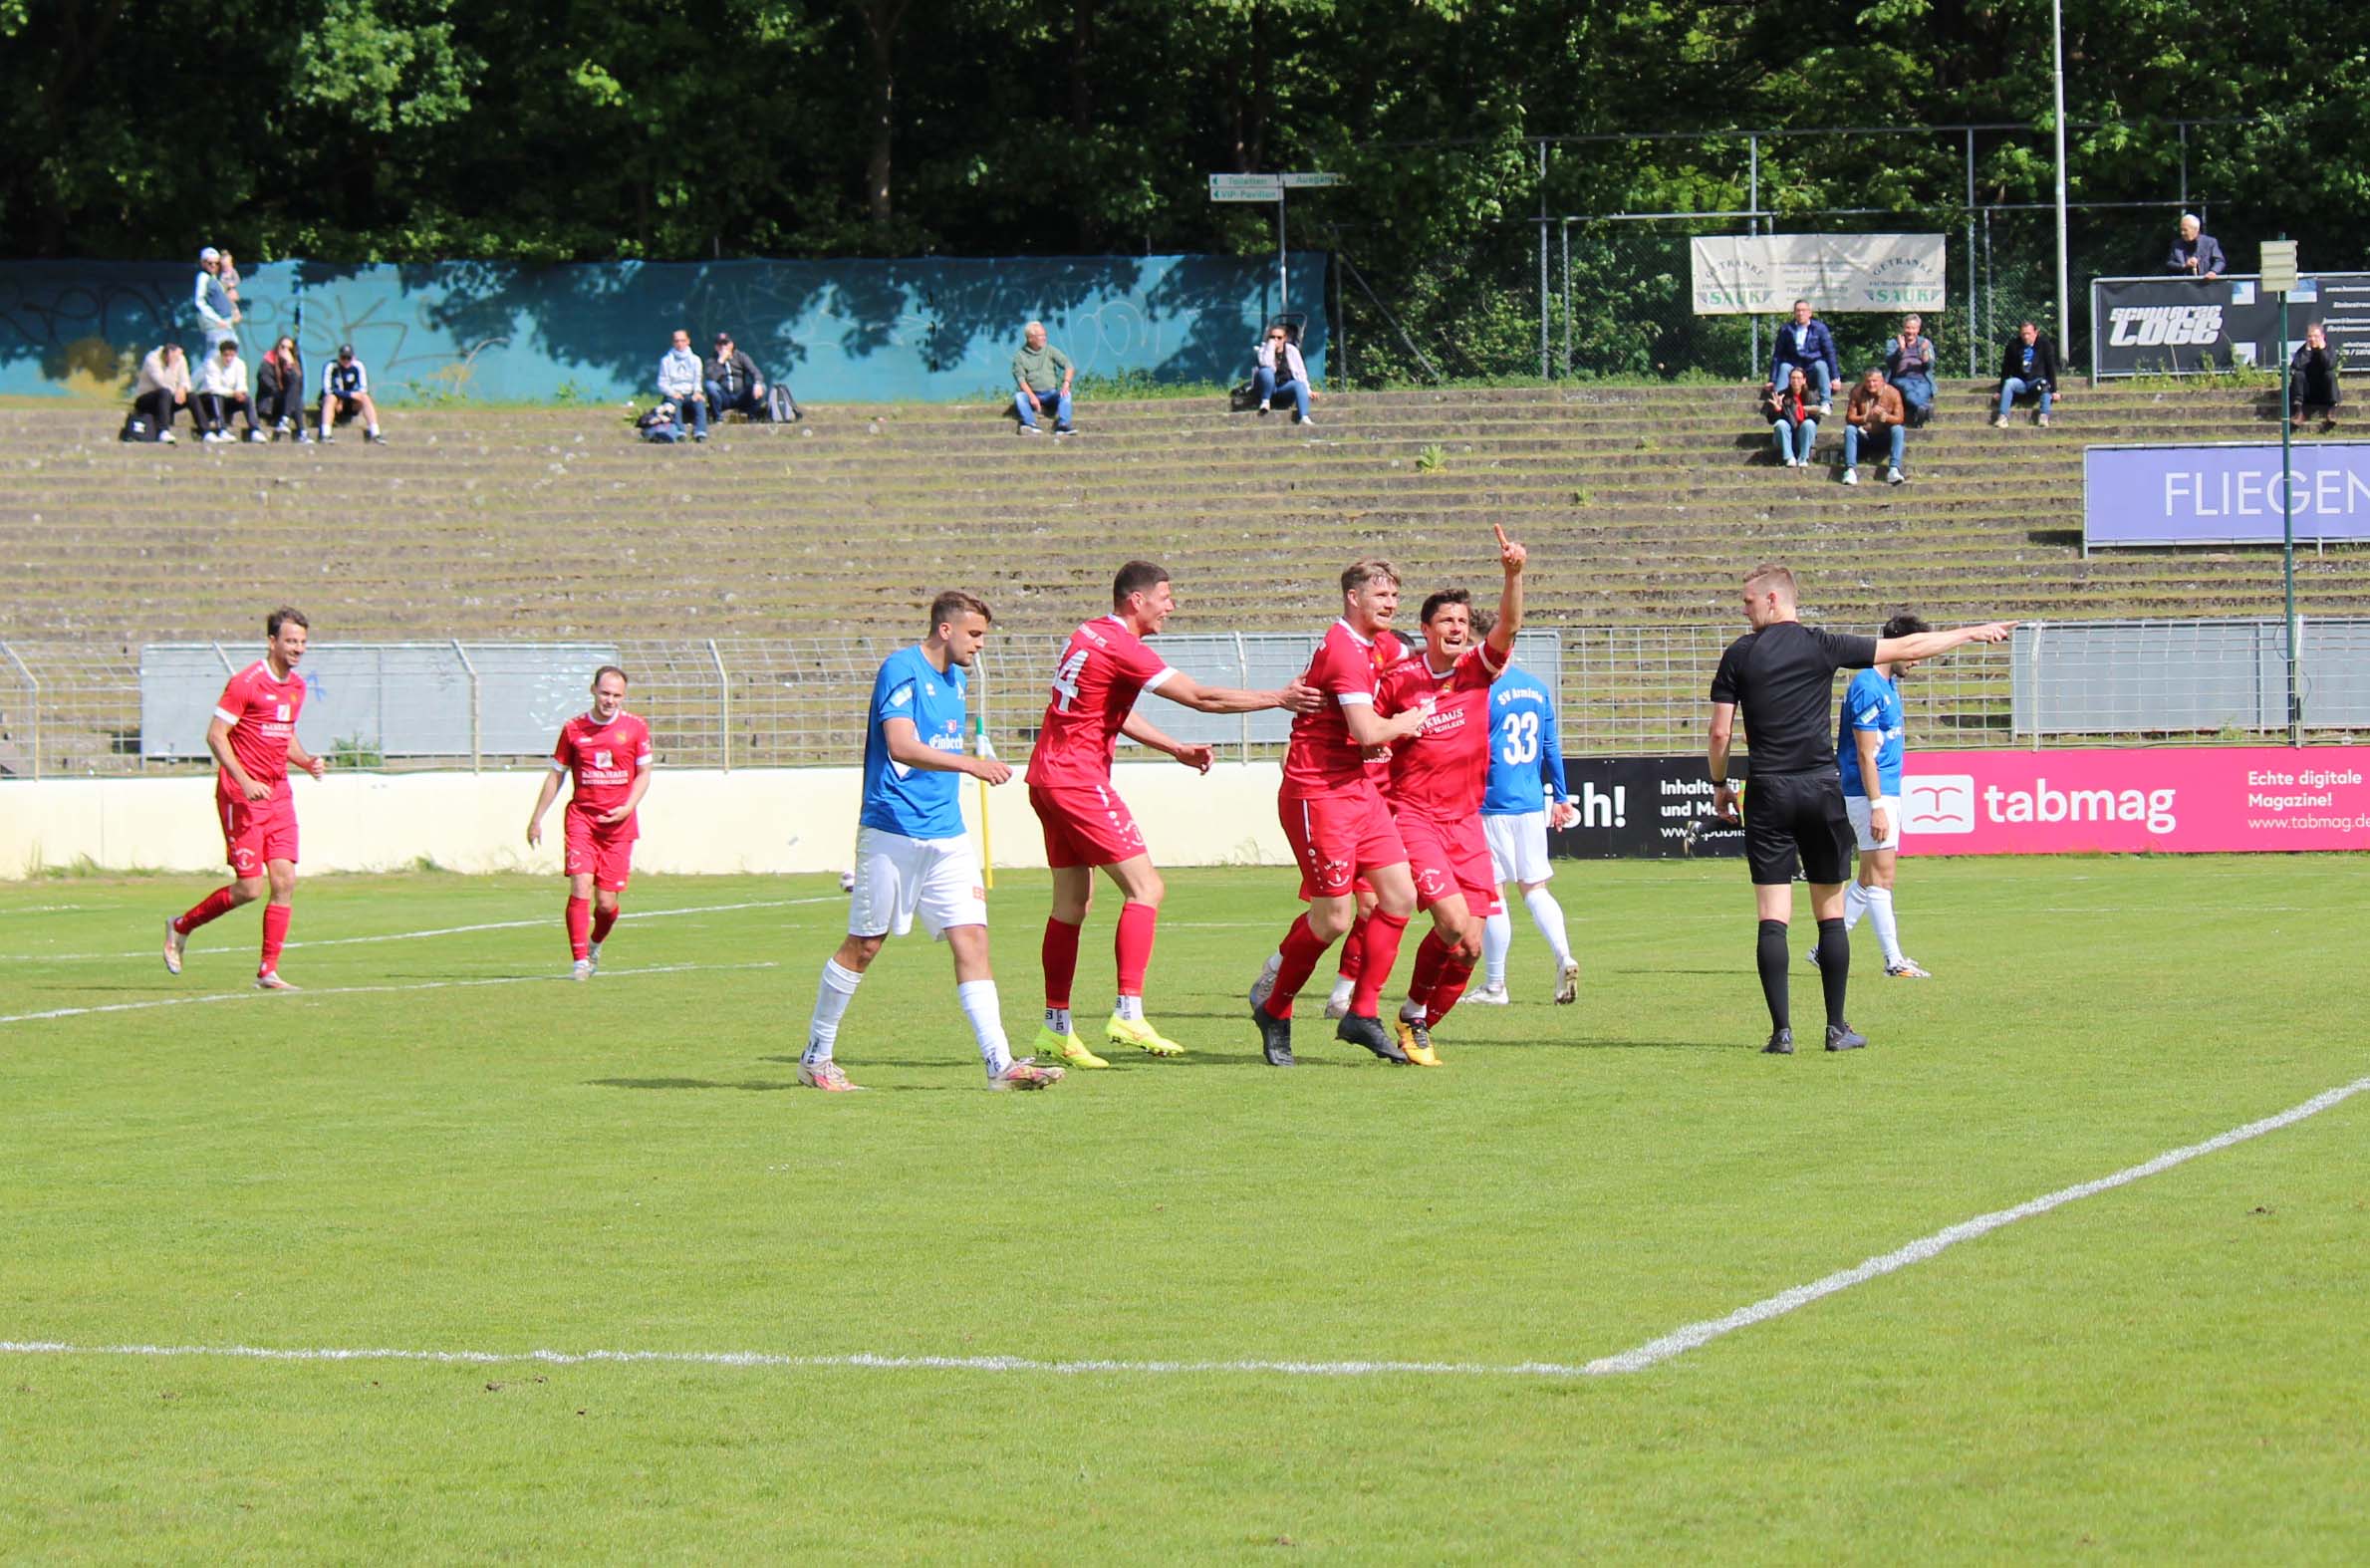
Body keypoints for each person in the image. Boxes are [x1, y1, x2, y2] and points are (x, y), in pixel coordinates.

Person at [1707, 565, 2011, 1054]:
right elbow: (1908, 648)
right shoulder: (1821, 645)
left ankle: (1781, 1033)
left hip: (1768, 792)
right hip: (1819, 790)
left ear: (1771, 598)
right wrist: (1973, 633)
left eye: (1746, 602)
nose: (1741, 610)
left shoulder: (1739, 654)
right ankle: (1836, 1028)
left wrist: (1721, 784)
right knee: (1829, 915)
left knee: (1772, 918)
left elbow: (1720, 732)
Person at [1026, 561, 1319, 1069]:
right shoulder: (1123, 645)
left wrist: (1172, 747)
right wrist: (1280, 697)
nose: (1171, 605)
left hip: (1047, 778)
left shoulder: (1088, 634)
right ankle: (1129, 1012)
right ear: (1135, 600)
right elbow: (1201, 697)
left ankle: (1055, 1029)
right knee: (1147, 889)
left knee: (1071, 906)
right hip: (1078, 780)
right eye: (1165, 595)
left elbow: (1107, 710)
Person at [799, 591, 1063, 1092]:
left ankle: (999, 1065)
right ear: (946, 630)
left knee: (973, 939)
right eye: (975, 634)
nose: (981, 645)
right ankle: (816, 1057)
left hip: (947, 835)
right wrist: (972, 764)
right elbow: (900, 744)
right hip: (892, 829)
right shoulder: (901, 669)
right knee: (865, 945)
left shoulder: (957, 680)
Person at [1247, 560, 1444, 1068]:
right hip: (1319, 794)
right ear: (1353, 598)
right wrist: (1406, 720)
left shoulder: (1380, 644)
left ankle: (1361, 1013)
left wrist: (1477, 655)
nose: (1391, 603)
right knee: (1333, 919)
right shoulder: (1344, 652)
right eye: (1380, 594)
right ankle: (1275, 1007)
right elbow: (1367, 733)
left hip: (1357, 790)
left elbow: (1421, 653)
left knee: (1398, 898)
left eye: (1396, 595)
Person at [1371, 528, 1528, 1067]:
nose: (1458, 628)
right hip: (1415, 817)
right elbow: (1366, 735)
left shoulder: (1476, 671)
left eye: (1463, 621)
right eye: (1447, 621)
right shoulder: (1398, 680)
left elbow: (1508, 626)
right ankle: (1402, 1015)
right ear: (1426, 629)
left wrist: (1513, 576)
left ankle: (1415, 1018)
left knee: (1472, 946)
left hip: (1467, 822)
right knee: (1454, 924)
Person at [162, 607, 327, 990]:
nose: (298, 648)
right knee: (250, 888)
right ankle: (180, 926)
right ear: (272, 642)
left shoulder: (297, 687)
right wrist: (244, 779)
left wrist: (305, 761)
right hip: (242, 796)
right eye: (290, 641)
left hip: (279, 793)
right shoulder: (246, 683)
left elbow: (283, 734)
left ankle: (268, 971)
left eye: (302, 642)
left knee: (285, 880)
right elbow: (216, 735)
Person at [1806, 615, 1932, 980]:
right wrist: (1877, 805)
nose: (1916, 659)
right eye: (1913, 650)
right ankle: (1894, 961)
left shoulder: (1886, 685)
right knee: (1882, 877)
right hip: (1868, 794)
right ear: (1895, 643)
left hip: (1881, 792)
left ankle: (1824, 950)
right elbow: (1864, 754)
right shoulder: (1867, 686)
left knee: (1867, 878)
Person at [527, 666, 655, 980]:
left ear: (623, 697)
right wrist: (537, 818)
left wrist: (627, 807)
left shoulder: (635, 728)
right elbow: (556, 775)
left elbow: (644, 774)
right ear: (593, 690)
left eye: (616, 695)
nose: (609, 700)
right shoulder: (573, 729)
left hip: (619, 826)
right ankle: (580, 961)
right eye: (604, 693)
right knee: (581, 884)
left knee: (607, 903)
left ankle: (595, 943)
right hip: (582, 818)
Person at [1469, 652, 1580, 1007]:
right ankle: (1564, 955)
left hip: (1491, 804)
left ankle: (1495, 985)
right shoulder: (1536, 688)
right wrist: (1561, 796)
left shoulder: (1482, 691)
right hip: (1531, 803)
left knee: (1494, 894)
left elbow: (1472, 750)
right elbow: (1550, 745)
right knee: (1535, 888)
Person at [1767, 299, 1840, 413]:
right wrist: (1772, 379)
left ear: (1810, 313)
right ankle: (1780, 403)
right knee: (1784, 366)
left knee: (1821, 365)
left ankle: (1826, 403)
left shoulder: (1820, 328)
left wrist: (1835, 378)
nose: (1800, 313)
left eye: (1803, 310)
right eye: (1797, 311)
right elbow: (1778, 355)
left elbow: (1830, 352)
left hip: (1812, 369)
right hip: (1794, 368)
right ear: (1794, 313)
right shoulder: (1786, 329)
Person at [1839, 367, 1908, 487]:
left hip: (1884, 436)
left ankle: (1894, 469)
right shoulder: (1857, 392)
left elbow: (1900, 419)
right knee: (1849, 429)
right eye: (1868, 381)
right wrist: (1865, 417)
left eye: (1874, 381)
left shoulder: (1893, 393)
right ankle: (1850, 470)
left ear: (1882, 381)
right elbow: (1849, 418)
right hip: (1864, 435)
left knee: (1898, 429)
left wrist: (1885, 417)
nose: (1871, 384)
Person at [193, 338, 266, 444]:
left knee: (247, 399)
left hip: (229, 399)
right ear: (221, 354)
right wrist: (233, 393)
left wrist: (240, 392)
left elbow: (242, 383)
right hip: (209, 400)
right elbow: (213, 388)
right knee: (216, 396)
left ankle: (255, 430)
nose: (228, 358)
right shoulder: (211, 363)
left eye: (231, 355)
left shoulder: (240, 364)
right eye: (226, 355)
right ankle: (221, 430)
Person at [1011, 321, 1075, 436]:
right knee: (1019, 396)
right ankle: (1031, 425)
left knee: (1066, 394)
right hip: (1033, 394)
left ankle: (1063, 425)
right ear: (1030, 338)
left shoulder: (1050, 350)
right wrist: (1031, 396)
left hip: (1051, 394)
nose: (1044, 338)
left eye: (1045, 335)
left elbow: (1068, 365)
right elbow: (1020, 379)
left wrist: (1066, 383)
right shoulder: (1020, 356)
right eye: (1041, 336)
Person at [1993, 321, 2061, 429]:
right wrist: (2000, 390)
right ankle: (2003, 417)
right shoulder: (2013, 346)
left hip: (2037, 381)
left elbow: (2051, 368)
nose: (2026, 337)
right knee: (2009, 383)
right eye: (2023, 334)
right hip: (2020, 381)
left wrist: (2054, 390)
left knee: (2044, 383)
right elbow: (2006, 369)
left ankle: (2043, 416)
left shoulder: (2045, 345)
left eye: (2028, 333)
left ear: (2036, 332)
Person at [319, 345, 386, 443]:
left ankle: (375, 433)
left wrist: (350, 396)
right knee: (330, 398)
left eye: (348, 358)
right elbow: (327, 389)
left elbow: (363, 388)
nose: (346, 360)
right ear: (339, 357)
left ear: (353, 357)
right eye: (343, 357)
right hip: (334, 402)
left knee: (365, 398)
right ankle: (325, 434)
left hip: (350, 403)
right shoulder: (331, 366)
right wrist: (346, 395)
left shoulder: (358, 366)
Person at [1252, 323, 1316, 425]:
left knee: (1299, 385)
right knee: (1266, 371)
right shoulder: (1264, 349)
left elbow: (1301, 371)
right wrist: (1271, 347)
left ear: (1285, 338)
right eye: (1272, 337)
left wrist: (1308, 390)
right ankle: (1265, 402)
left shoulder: (1292, 350)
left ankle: (1304, 416)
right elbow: (1267, 365)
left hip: (1283, 386)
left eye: (1279, 337)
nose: (1275, 340)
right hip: (1267, 386)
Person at [130, 343, 190, 443]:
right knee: (165, 392)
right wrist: (172, 365)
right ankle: (163, 431)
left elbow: (185, 380)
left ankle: (205, 432)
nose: (176, 361)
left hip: (167, 399)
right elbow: (163, 384)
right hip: (146, 399)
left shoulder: (180, 358)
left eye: (177, 359)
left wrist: (182, 388)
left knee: (191, 397)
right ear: (164, 355)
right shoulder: (152, 359)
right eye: (171, 358)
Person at [657, 330, 710, 441]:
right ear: (673, 343)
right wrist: (672, 393)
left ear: (688, 342)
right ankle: (680, 432)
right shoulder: (666, 361)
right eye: (677, 341)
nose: (680, 344)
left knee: (700, 402)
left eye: (683, 341)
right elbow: (662, 383)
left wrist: (697, 392)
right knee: (673, 403)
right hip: (674, 394)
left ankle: (700, 432)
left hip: (690, 393)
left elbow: (697, 379)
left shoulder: (695, 360)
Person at [703, 332, 766, 424]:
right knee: (710, 385)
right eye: (720, 344)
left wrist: (758, 383)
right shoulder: (711, 360)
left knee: (762, 387)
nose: (723, 347)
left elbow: (755, 372)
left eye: (725, 343)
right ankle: (718, 418)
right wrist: (720, 362)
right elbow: (711, 378)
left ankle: (752, 417)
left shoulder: (741, 356)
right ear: (716, 346)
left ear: (731, 344)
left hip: (741, 396)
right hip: (724, 397)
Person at [1885, 315, 1938, 425]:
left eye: (1913, 328)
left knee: (1922, 390)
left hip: (1921, 379)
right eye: (1908, 328)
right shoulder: (1893, 343)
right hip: (1901, 379)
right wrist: (1901, 350)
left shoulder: (1925, 343)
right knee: (1908, 390)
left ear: (1918, 329)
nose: (1910, 331)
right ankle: (1925, 407)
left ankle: (1920, 410)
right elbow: (1889, 363)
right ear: (1903, 328)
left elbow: (1930, 366)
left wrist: (1924, 354)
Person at [1762, 367, 1819, 467]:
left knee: (1809, 424)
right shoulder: (1781, 396)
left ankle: (1803, 458)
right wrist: (1777, 410)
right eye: (1793, 378)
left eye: (1798, 378)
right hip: (1786, 437)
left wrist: (1813, 412)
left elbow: (1816, 421)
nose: (1795, 381)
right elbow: (1772, 421)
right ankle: (1789, 458)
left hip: (1803, 436)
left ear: (1804, 380)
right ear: (1789, 380)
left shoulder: (1811, 396)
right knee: (1781, 424)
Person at [2290, 321, 2342, 426]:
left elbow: (2330, 365)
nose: (2313, 339)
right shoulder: (2303, 350)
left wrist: (2322, 350)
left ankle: (2331, 413)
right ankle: (2299, 413)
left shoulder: (2329, 349)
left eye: (2316, 336)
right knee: (2298, 374)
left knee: (2330, 374)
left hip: (2324, 392)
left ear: (2322, 336)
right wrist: (2308, 351)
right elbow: (2297, 366)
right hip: (2307, 393)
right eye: (2310, 336)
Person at [256, 337, 308, 440]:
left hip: (286, 404)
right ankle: (300, 432)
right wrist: (286, 394)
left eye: (289, 349)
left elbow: (298, 385)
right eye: (283, 347)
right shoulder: (267, 362)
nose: (285, 351)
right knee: (293, 396)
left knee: (295, 396)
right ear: (277, 347)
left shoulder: (293, 364)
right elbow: (268, 385)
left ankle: (289, 424)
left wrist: (290, 366)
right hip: (270, 403)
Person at [192, 246, 240, 356]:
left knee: (232, 352)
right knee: (216, 357)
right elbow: (200, 302)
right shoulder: (203, 277)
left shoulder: (215, 279)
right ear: (203, 263)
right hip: (216, 326)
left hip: (226, 323)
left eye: (216, 263)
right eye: (210, 263)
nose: (214, 265)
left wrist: (233, 311)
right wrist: (217, 320)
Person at [2166, 213, 2226, 280]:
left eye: (2185, 230)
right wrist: (2184, 265)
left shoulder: (2210, 242)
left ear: (2196, 229)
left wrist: (2213, 272)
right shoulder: (2176, 244)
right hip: (2183, 286)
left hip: (2206, 284)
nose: (2182, 233)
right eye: (2181, 230)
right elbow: (2170, 263)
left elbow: (2220, 261)